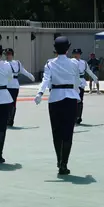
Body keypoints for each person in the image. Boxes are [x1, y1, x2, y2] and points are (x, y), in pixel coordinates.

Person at [34, 37, 80, 175]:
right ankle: (64, 163)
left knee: (57, 131)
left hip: (55, 98)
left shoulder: (50, 64)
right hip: (71, 98)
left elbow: (46, 80)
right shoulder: (74, 63)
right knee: (68, 132)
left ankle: (59, 160)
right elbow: (76, 81)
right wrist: (76, 94)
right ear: (67, 49)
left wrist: (40, 93)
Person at [4, 48, 35, 127]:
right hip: (6, 85)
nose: (8, 56)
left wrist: (31, 76)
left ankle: (11, 120)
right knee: (6, 103)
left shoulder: (17, 63)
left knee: (13, 103)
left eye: (9, 54)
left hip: (15, 86)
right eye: (6, 54)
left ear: (12, 55)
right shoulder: (4, 64)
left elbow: (23, 71)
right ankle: (6, 119)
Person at [71, 48, 98, 125]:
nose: (76, 55)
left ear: (80, 54)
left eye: (78, 54)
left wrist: (94, 77)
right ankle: (72, 117)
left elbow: (88, 71)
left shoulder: (84, 62)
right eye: (75, 54)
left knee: (80, 100)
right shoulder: (70, 62)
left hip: (81, 82)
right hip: (73, 82)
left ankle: (78, 117)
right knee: (72, 101)